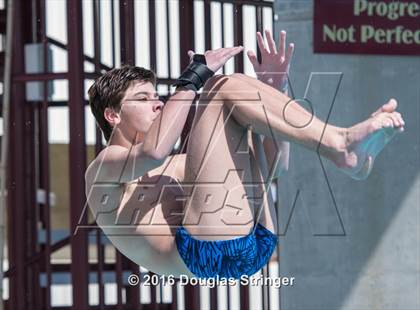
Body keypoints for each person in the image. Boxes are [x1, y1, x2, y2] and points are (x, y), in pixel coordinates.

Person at [85, 30, 405, 279]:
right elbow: (153, 151)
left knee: (236, 112)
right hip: (204, 254)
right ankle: (340, 143)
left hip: (256, 240)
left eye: (158, 95)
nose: (158, 103)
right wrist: (192, 79)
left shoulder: (177, 167)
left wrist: (272, 89)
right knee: (221, 87)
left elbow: (274, 167)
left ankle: (339, 145)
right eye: (144, 98)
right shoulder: (102, 169)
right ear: (113, 115)